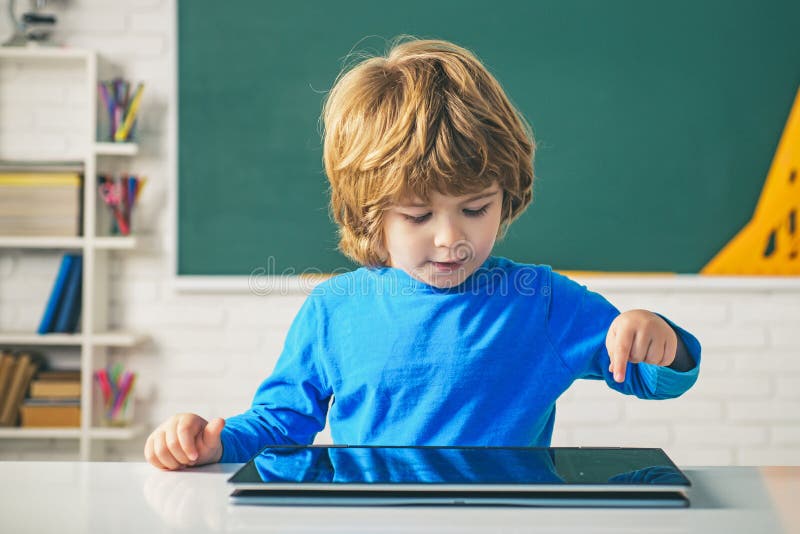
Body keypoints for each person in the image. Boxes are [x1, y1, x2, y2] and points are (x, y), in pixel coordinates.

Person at [145, 37, 701, 470]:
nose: (450, 238)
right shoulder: (334, 310)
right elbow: (279, 423)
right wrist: (212, 444)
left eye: (476, 208)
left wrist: (660, 340)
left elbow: (653, 377)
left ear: (506, 195)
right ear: (370, 213)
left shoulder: (541, 301)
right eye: (417, 216)